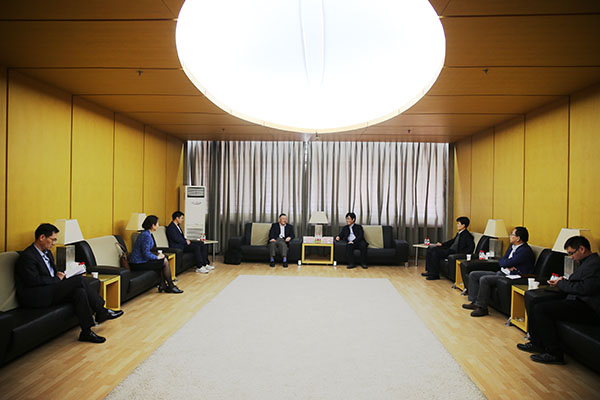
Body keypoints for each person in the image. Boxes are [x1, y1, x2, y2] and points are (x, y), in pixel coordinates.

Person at [14, 223, 123, 344]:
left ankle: (86, 331)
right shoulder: (28, 256)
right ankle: (101, 310)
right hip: (36, 296)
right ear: (42, 237)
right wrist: (57, 279)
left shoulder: (47, 253)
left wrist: (62, 274)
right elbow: (33, 281)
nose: (54, 243)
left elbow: (51, 272)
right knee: (80, 280)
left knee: (79, 292)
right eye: (52, 239)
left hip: (50, 289)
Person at [517, 236, 600, 364]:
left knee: (541, 309)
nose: (571, 257)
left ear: (582, 249)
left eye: (571, 253)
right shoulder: (586, 262)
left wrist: (562, 284)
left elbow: (585, 289)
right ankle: (536, 343)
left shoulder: (595, 265)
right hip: (576, 298)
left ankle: (554, 353)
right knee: (534, 301)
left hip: (587, 307)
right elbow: (579, 283)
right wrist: (563, 281)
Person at [463, 226, 535, 317]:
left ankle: (482, 308)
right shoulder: (512, 246)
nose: (510, 236)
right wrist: (506, 264)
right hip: (501, 272)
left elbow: (508, 262)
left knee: (484, 279)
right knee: (473, 275)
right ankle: (475, 302)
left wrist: (506, 263)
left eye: (512, 234)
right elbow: (502, 261)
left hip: (510, 277)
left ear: (518, 238)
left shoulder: (525, 251)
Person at [130, 215, 183, 294]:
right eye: (157, 223)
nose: (158, 225)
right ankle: (170, 285)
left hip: (142, 260)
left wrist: (157, 255)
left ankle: (163, 285)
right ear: (153, 225)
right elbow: (145, 253)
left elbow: (147, 250)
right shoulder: (146, 236)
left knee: (162, 260)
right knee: (164, 261)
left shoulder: (147, 234)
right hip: (137, 263)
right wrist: (157, 257)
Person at [422, 216, 475, 280]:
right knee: (430, 248)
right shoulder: (459, 233)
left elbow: (471, 248)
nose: (457, 225)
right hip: (449, 250)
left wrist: (460, 253)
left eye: (458, 223)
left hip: (454, 252)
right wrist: (442, 244)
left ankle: (434, 275)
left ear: (463, 225)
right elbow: (452, 241)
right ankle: (429, 271)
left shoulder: (467, 235)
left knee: (435, 252)